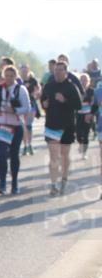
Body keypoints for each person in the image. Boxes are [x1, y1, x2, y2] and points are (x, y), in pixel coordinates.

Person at [0, 66, 31, 195]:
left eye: (11, 76)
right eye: (6, 75)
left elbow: (27, 107)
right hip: (1, 125)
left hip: (16, 126)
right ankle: (2, 184)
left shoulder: (21, 90)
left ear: (15, 76)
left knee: (14, 155)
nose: (8, 78)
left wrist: (15, 110)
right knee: (2, 154)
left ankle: (14, 183)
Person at [40, 60, 81, 196]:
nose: (57, 72)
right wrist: (44, 104)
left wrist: (65, 100)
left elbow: (78, 105)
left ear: (66, 72)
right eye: (56, 70)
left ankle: (64, 179)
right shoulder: (48, 86)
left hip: (67, 125)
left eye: (60, 70)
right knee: (54, 156)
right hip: (51, 124)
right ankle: (53, 184)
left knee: (64, 155)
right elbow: (43, 101)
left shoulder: (71, 87)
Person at [18, 64, 41, 156]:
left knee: (28, 125)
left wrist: (36, 93)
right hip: (21, 104)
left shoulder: (33, 80)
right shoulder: (19, 81)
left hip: (31, 104)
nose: (24, 72)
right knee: (23, 126)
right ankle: (25, 145)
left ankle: (30, 144)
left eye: (25, 70)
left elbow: (38, 89)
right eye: (22, 70)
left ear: (28, 70)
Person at [77, 73, 94, 159]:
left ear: (89, 81)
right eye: (82, 80)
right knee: (78, 133)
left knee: (86, 134)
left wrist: (91, 114)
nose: (83, 82)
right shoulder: (77, 90)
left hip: (88, 114)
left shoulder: (91, 91)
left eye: (85, 80)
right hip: (78, 114)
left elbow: (93, 104)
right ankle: (80, 143)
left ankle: (84, 153)